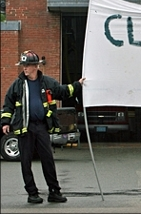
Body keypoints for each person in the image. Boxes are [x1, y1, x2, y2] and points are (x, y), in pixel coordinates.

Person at [1, 50, 85, 204]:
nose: (24, 68)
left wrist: (77, 85)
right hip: (25, 129)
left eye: (27, 65)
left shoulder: (47, 82)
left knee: (48, 160)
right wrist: (5, 122)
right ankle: (32, 193)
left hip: (41, 127)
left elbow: (63, 92)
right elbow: (8, 104)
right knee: (26, 162)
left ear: (35, 66)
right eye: (23, 65)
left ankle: (54, 192)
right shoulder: (17, 85)